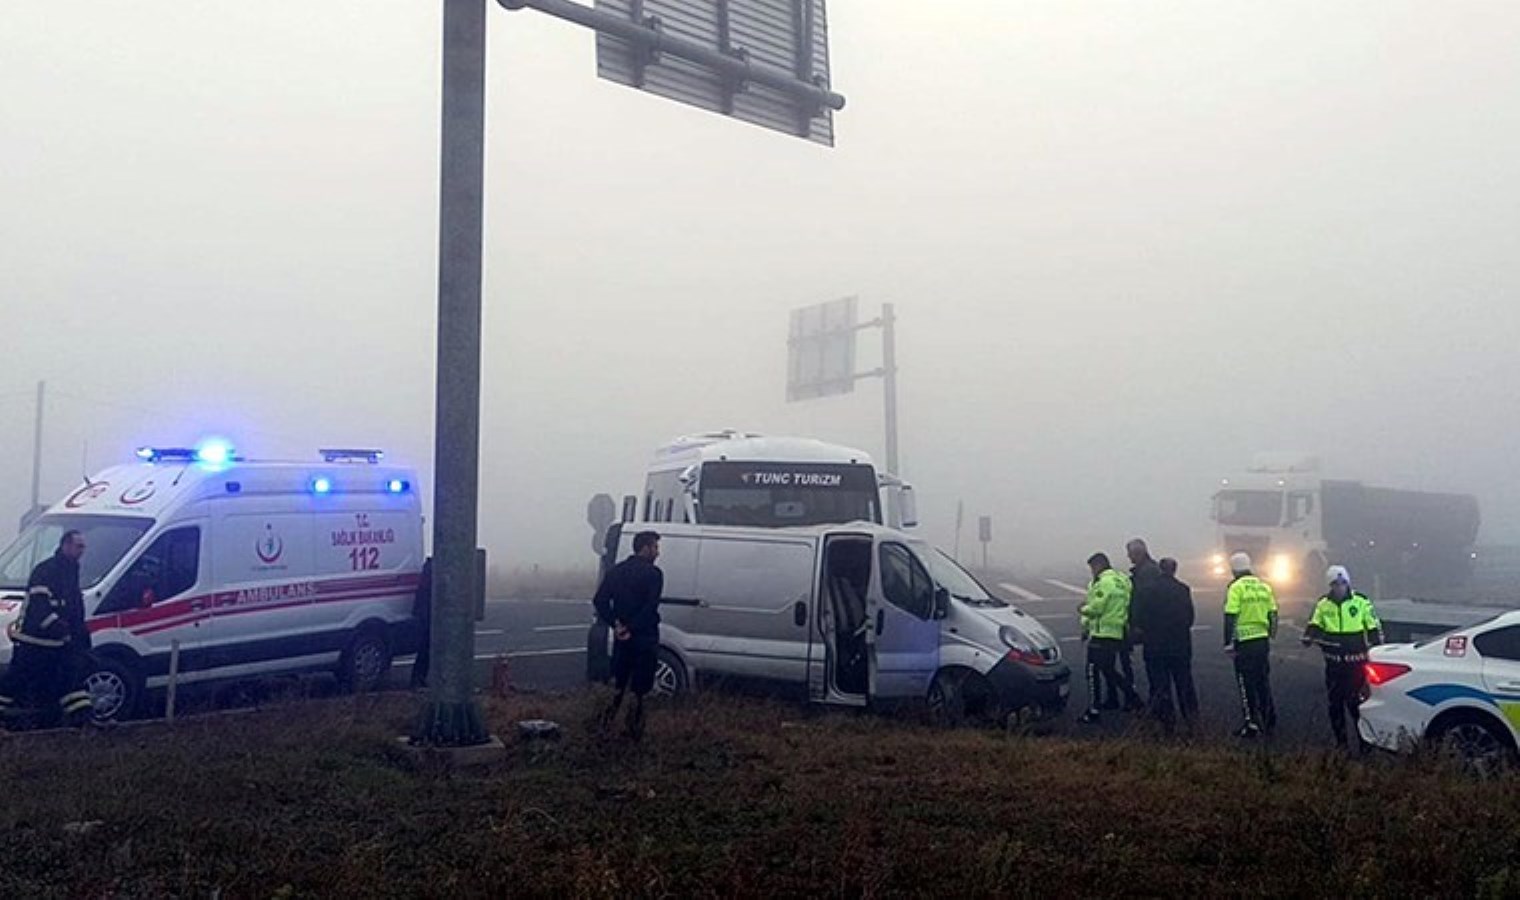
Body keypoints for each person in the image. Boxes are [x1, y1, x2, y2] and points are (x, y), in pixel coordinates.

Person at [0, 531, 95, 728]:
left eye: (83, 547)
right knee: (14, 682)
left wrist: (81, 637)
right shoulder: (46, 571)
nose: (82, 551)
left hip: (58, 644)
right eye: (79, 546)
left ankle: (83, 721)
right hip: (33, 643)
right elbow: (38, 608)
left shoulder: (71, 571)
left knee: (71, 679)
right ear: (65, 546)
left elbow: (74, 608)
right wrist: (59, 628)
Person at [593, 530, 664, 740]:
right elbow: (650, 606)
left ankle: (603, 727)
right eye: (655, 547)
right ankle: (634, 733)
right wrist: (632, 627)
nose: (657, 553)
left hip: (622, 639)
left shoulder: (616, 571)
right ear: (645, 548)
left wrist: (616, 624)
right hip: (645, 638)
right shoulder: (654, 574)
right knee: (640, 690)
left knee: (618, 685)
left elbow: (600, 600)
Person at [1302, 565, 1382, 749]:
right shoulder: (1323, 604)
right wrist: (1309, 637)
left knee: (1357, 704)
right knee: (1335, 704)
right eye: (1335, 584)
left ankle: (1365, 743)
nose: (1339, 587)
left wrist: (1377, 650)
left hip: (1356, 664)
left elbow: (1373, 628)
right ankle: (1342, 744)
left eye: (1343, 583)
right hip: (1334, 664)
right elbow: (1314, 626)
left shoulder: (1361, 601)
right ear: (1329, 585)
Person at [1132, 557, 1199, 731]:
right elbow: (1189, 618)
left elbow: (1138, 618)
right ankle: (1191, 720)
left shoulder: (1147, 591)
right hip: (1180, 646)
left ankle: (1167, 722)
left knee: (1160, 684)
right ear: (1174, 570)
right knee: (1184, 683)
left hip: (1155, 646)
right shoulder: (1183, 589)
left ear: (1160, 569)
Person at [1077, 552, 1142, 724]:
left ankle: (1093, 709)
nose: (1091, 572)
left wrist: (1082, 610)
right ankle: (1133, 698)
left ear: (1098, 566)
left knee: (1092, 671)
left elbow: (1097, 608)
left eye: (1092, 568)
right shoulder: (1122, 580)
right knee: (1110, 670)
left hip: (1101, 633)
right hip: (1118, 632)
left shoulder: (1102, 583)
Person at [1223, 552, 1278, 738]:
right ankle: (1269, 718)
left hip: (1244, 642)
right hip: (1262, 641)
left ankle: (1251, 722)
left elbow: (1230, 615)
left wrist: (1228, 642)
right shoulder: (1264, 586)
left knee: (1246, 684)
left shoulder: (1236, 588)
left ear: (1233, 569)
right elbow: (1273, 613)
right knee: (1262, 681)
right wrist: (1272, 633)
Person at [1119, 538, 1161, 707]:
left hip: (1149, 628)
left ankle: (1152, 702)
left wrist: (1137, 625)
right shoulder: (1148, 570)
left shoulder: (1147, 573)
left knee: (1154, 667)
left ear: (1138, 553)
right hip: (1149, 627)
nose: (1128, 557)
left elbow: (1143, 601)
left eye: (1130, 554)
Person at [410, 557, 433, 690]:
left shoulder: (430, 566)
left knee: (426, 648)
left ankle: (419, 679)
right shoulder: (435, 568)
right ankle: (418, 680)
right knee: (426, 648)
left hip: (426, 613)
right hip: (428, 613)